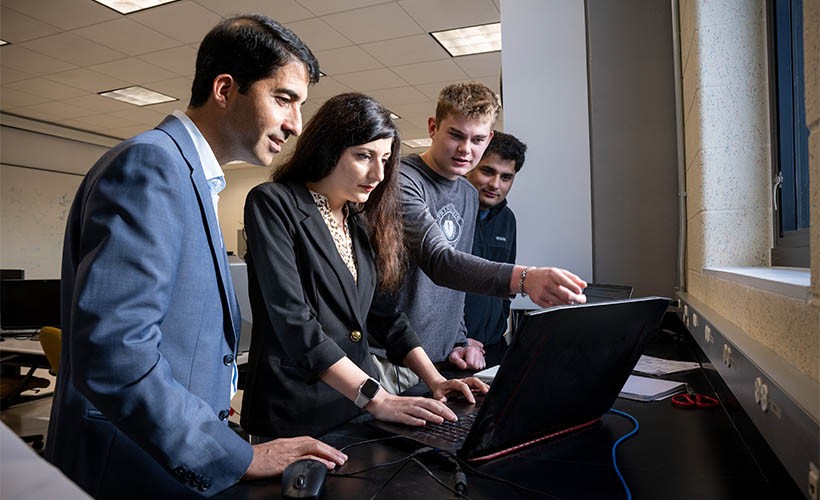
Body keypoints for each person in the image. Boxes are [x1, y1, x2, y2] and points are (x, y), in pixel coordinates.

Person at [45, 15, 347, 499]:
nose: (296, 125)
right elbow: (118, 354)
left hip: (159, 453)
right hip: (129, 462)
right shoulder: (152, 164)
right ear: (225, 89)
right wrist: (237, 454)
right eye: (284, 99)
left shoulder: (189, 174)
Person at [239, 93, 488, 441]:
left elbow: (385, 315)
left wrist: (436, 380)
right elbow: (295, 321)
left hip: (352, 406)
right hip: (294, 410)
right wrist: (378, 398)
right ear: (328, 148)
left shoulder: (358, 220)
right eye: (363, 156)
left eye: (385, 159)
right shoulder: (274, 204)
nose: (378, 173)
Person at [377, 82, 587, 392]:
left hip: (445, 361)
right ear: (433, 127)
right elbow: (440, 261)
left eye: (477, 139)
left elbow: (455, 288)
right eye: (456, 135)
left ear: (488, 138)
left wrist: (461, 338)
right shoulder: (402, 180)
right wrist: (525, 278)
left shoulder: (466, 192)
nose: (466, 150)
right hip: (393, 359)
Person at [463, 131, 528, 361]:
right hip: (453, 349)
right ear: (470, 166)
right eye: (487, 171)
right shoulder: (449, 211)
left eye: (506, 177)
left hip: (492, 346)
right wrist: (459, 338)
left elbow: (505, 284)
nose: (495, 184)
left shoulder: (507, 219)